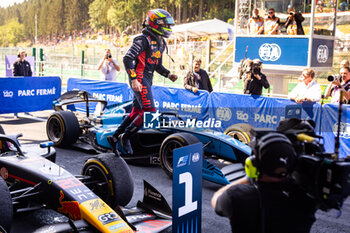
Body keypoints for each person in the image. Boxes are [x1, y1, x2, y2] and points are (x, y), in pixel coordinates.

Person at [211, 132, 317, 233]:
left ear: (254, 165)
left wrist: (248, 179)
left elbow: (216, 197)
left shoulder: (236, 196)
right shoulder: (307, 201)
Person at [107, 9, 178, 155]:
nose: (168, 28)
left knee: (137, 111)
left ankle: (114, 137)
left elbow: (156, 65)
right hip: (139, 78)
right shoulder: (142, 39)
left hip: (147, 79)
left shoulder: (161, 42)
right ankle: (125, 137)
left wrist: (168, 74)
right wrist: (133, 80)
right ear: (156, 23)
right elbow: (127, 58)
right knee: (150, 112)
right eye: (166, 24)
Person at [12, 49, 33, 118]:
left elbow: (30, 72)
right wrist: (20, 80)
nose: (23, 56)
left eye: (24, 55)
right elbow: (14, 73)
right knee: (17, 98)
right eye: (21, 55)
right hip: (18, 84)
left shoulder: (27, 63)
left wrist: (28, 80)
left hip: (25, 84)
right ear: (19, 55)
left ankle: (26, 111)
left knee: (25, 98)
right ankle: (15, 114)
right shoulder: (16, 63)